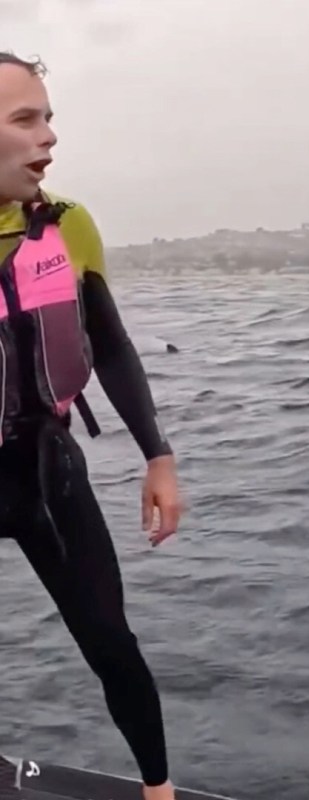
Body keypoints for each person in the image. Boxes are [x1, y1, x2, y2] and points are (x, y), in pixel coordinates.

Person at [0, 53, 182, 800]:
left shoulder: (67, 226)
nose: (48, 137)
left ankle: (158, 792)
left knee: (111, 641)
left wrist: (159, 457)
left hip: (47, 472)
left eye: (48, 117)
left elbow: (107, 345)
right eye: (24, 119)